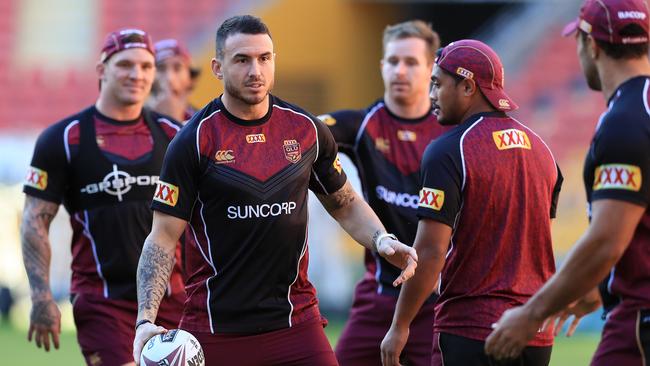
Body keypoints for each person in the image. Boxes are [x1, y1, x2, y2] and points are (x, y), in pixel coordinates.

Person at [131, 15, 418, 366]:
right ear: (217, 67)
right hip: (216, 329)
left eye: (264, 58)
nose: (256, 70)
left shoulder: (306, 130)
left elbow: (344, 203)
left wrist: (380, 239)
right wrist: (146, 319)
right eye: (242, 60)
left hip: (296, 324)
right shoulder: (193, 140)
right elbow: (161, 238)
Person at [485, 0, 650, 364]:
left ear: (590, 45)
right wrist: (599, 284)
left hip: (641, 320)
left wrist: (532, 314)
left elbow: (607, 240)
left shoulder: (626, 120)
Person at [380, 39, 563, 366]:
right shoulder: (543, 151)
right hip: (533, 335)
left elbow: (431, 251)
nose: (431, 95)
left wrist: (399, 326)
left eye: (437, 84)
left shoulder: (447, 151)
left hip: (470, 332)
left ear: (467, 86)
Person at [21, 28, 185, 366]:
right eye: (125, 64)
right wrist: (41, 296)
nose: (136, 75)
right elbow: (35, 220)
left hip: (174, 299)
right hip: (103, 301)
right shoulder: (64, 139)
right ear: (102, 70)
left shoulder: (176, 136)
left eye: (145, 66)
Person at [319, 20, 446, 366]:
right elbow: (302, 132)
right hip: (378, 295)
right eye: (392, 62)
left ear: (432, 67)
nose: (400, 71)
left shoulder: (452, 133)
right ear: (381, 66)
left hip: (437, 299)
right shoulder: (363, 125)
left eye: (411, 62)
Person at [147, 38, 201, 123]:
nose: (169, 78)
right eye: (161, 68)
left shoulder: (204, 124)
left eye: (177, 68)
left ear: (191, 78)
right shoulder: (132, 121)